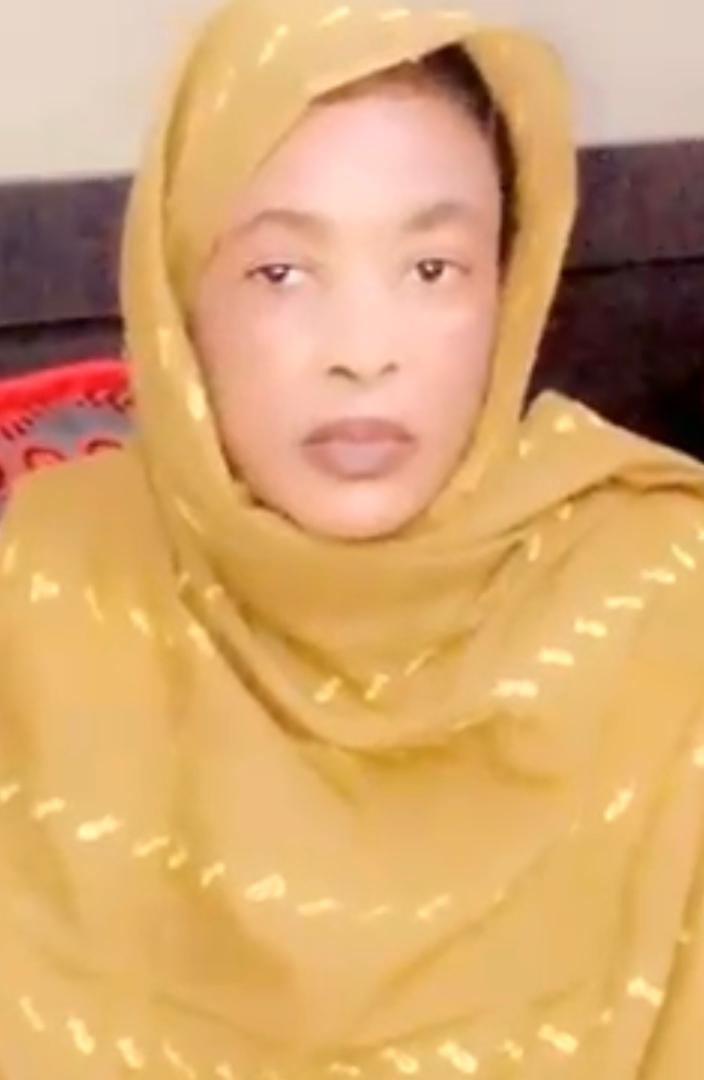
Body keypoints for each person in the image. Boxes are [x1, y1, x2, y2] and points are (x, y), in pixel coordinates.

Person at [1, 0, 704, 1076]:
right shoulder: (52, 577)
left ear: (508, 289)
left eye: (431, 270)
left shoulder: (666, 598)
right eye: (281, 272)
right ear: (182, 297)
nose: (363, 354)